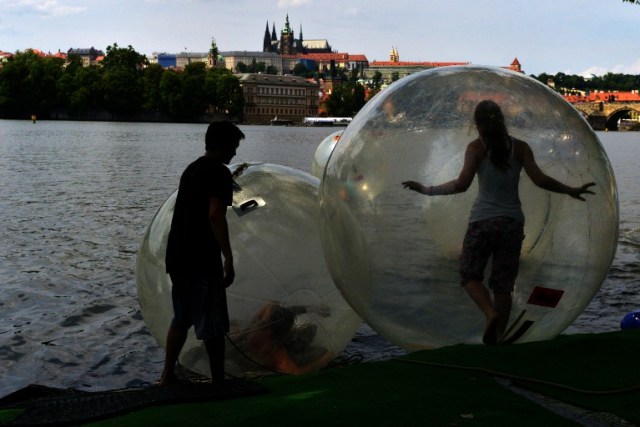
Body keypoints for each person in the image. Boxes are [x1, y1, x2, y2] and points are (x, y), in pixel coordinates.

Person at [402, 100, 595, 345]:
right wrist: (570, 190)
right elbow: (540, 180)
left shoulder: (476, 148)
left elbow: (461, 185)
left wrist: (426, 190)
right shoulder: (520, 148)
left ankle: (489, 313)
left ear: (478, 123)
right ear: (501, 119)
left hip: (482, 221)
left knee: (470, 276)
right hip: (512, 223)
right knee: (503, 286)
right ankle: (499, 339)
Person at [159, 120, 245, 385]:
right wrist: (228, 257)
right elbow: (215, 213)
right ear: (223, 145)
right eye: (233, 146)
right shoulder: (219, 173)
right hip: (201, 260)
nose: (234, 153)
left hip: (177, 257)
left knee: (181, 319)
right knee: (214, 326)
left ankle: (166, 376)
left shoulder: (191, 170)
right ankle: (219, 382)